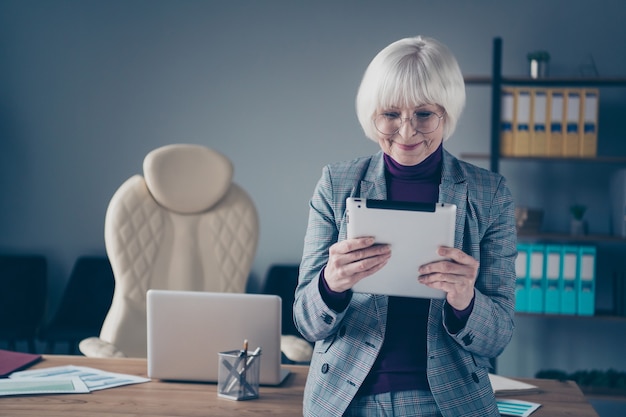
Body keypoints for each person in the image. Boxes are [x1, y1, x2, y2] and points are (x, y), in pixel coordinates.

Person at [293, 35, 517, 417]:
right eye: (391, 114)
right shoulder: (336, 183)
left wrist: (465, 299)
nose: (407, 132)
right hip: (346, 399)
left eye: (424, 114)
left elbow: (497, 337)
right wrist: (331, 283)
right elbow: (306, 322)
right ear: (372, 114)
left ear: (447, 113)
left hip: (447, 402)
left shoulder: (489, 194)